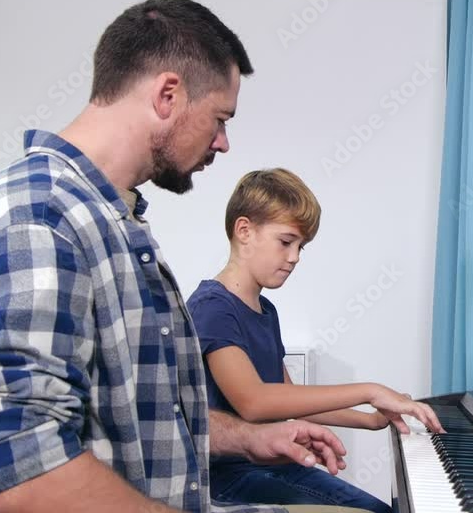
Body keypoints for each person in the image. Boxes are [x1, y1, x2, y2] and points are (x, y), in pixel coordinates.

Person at [0, 0, 355, 513]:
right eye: (220, 118)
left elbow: (141, 429)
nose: (223, 143)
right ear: (168, 95)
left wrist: (245, 439)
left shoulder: (109, 221)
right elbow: (15, 470)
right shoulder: (34, 220)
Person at [187, 169, 445, 512]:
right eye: (286, 242)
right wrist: (370, 390)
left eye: (301, 247)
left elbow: (291, 399)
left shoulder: (265, 310)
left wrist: (370, 419)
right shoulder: (213, 307)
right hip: (230, 479)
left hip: (273, 465)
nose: (294, 257)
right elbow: (254, 401)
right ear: (244, 230)